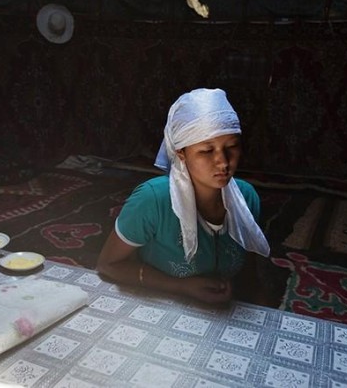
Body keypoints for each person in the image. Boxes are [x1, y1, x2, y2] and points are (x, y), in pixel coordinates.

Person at [96, 88, 270, 305]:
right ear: (181, 154)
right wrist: (181, 286)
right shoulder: (152, 200)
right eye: (207, 150)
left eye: (232, 147)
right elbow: (108, 265)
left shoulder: (246, 199)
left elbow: (250, 275)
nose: (223, 162)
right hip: (157, 306)